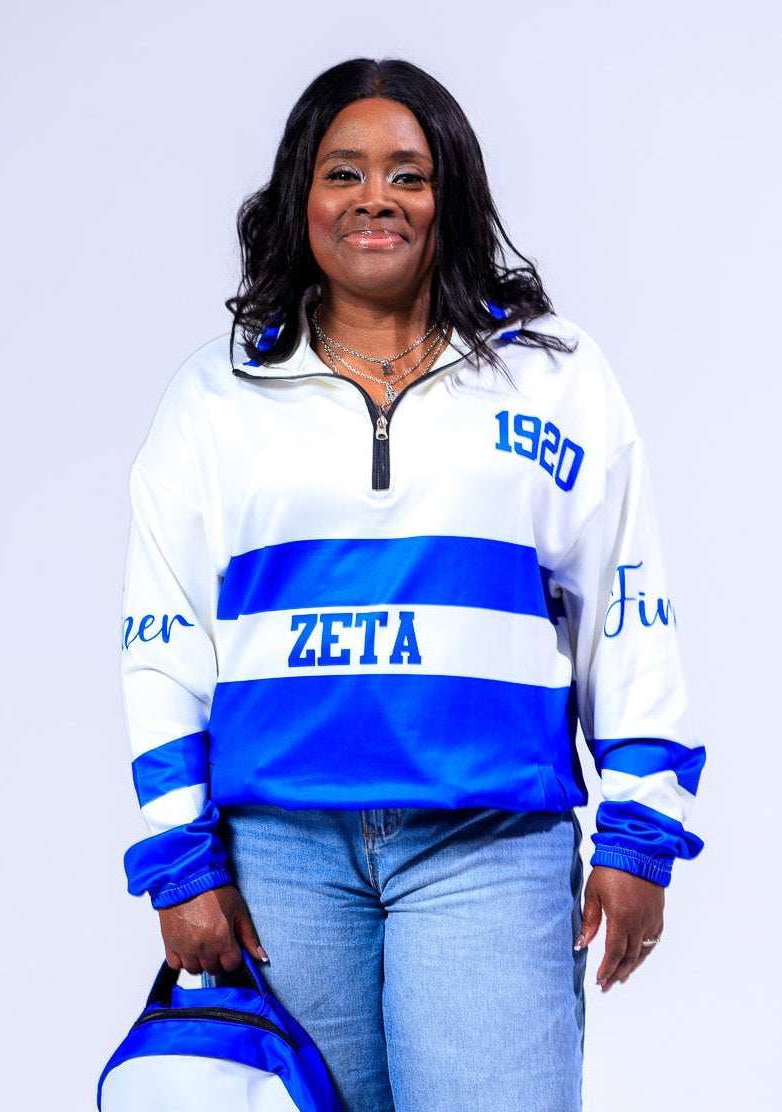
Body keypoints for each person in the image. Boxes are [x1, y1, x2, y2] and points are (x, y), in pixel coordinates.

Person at [120, 58, 705, 1112]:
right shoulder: (215, 398)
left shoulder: (553, 372)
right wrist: (178, 855)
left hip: (488, 837)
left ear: (452, 196)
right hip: (277, 858)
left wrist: (639, 829)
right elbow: (164, 638)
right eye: (343, 172)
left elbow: (625, 599)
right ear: (301, 195)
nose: (374, 198)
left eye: (408, 174)